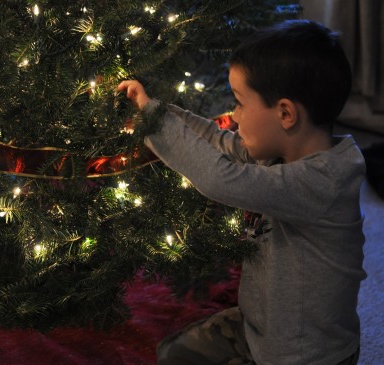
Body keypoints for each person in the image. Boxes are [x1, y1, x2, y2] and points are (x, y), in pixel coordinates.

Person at [117, 20, 366, 365]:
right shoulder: (282, 151)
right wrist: (154, 112)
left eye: (240, 103)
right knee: (173, 355)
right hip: (260, 329)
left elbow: (221, 178)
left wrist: (156, 122)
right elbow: (221, 143)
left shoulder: (323, 182)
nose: (233, 117)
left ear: (285, 114)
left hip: (307, 355)